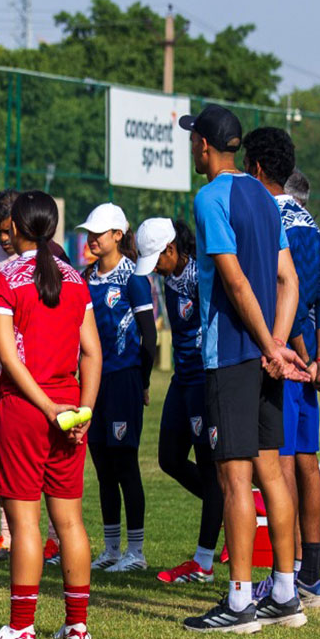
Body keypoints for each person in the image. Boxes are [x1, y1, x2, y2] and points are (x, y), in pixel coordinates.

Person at [179, 104, 309, 634]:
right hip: (261, 354)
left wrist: (264, 345)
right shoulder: (263, 194)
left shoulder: (210, 197)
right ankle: (284, 592)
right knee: (272, 470)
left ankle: (238, 604)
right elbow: (288, 281)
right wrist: (277, 344)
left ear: (205, 147)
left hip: (231, 354)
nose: (192, 149)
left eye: (194, 141)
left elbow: (234, 283)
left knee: (235, 479)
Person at [0, 192, 102, 639]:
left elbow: (5, 354)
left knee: (25, 521)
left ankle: (21, 627)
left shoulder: (6, 277)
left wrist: (47, 408)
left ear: (17, 227)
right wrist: (81, 410)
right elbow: (92, 351)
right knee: (69, 520)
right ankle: (77, 623)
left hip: (27, 410)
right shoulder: (73, 277)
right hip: (70, 408)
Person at [241, 127, 320, 609]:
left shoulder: (265, 216)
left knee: (275, 467)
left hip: (283, 359)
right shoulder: (311, 220)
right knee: (306, 466)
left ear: (257, 169)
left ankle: (285, 582)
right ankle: (310, 579)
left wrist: (297, 357)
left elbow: (290, 294)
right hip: (306, 361)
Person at [135, 218, 224, 585]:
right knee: (169, 458)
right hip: (181, 379)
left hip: (204, 379)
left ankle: (203, 561)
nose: (154, 269)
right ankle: (230, 510)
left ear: (172, 249)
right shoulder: (169, 277)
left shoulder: (202, 274)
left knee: (208, 467)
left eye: (156, 260)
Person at [77, 203, 156, 572]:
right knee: (103, 466)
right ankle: (110, 548)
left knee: (125, 464)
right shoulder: (84, 277)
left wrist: (142, 380)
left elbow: (149, 336)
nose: (92, 239)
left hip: (124, 380)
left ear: (118, 236)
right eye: (90, 233)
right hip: (93, 384)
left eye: (99, 233)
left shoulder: (133, 277)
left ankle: (135, 552)